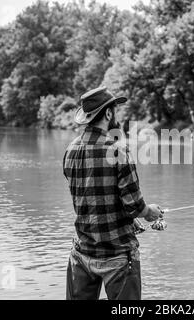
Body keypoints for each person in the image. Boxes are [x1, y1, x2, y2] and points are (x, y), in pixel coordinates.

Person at [63, 87, 163, 300]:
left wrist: (129, 218)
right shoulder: (119, 150)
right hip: (118, 257)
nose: (116, 115)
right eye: (115, 110)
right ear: (108, 114)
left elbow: (88, 199)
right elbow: (135, 206)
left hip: (81, 254)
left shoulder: (70, 150)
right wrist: (150, 212)